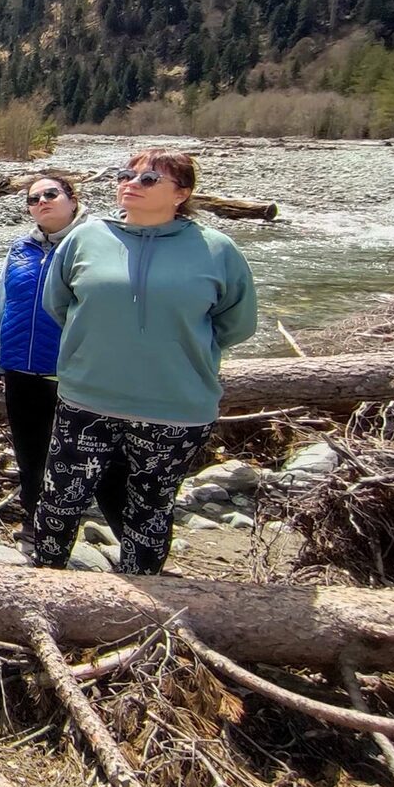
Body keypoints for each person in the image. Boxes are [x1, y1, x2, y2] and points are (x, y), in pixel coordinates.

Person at [33, 149, 258, 575]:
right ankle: (45, 588)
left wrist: (177, 348)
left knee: (150, 507)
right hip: (88, 400)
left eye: (149, 178)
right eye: (126, 174)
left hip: (175, 408)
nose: (131, 183)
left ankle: (140, 603)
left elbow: (236, 323)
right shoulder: (88, 238)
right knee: (60, 500)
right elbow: (59, 304)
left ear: (182, 193)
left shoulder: (216, 250)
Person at [0, 176, 125, 551]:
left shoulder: (100, 243)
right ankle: (36, 528)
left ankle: (132, 540)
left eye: (51, 194)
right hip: (21, 368)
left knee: (98, 458)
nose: (42, 201)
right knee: (30, 456)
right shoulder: (20, 248)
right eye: (34, 198)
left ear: (72, 198)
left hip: (75, 372)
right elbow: (3, 306)